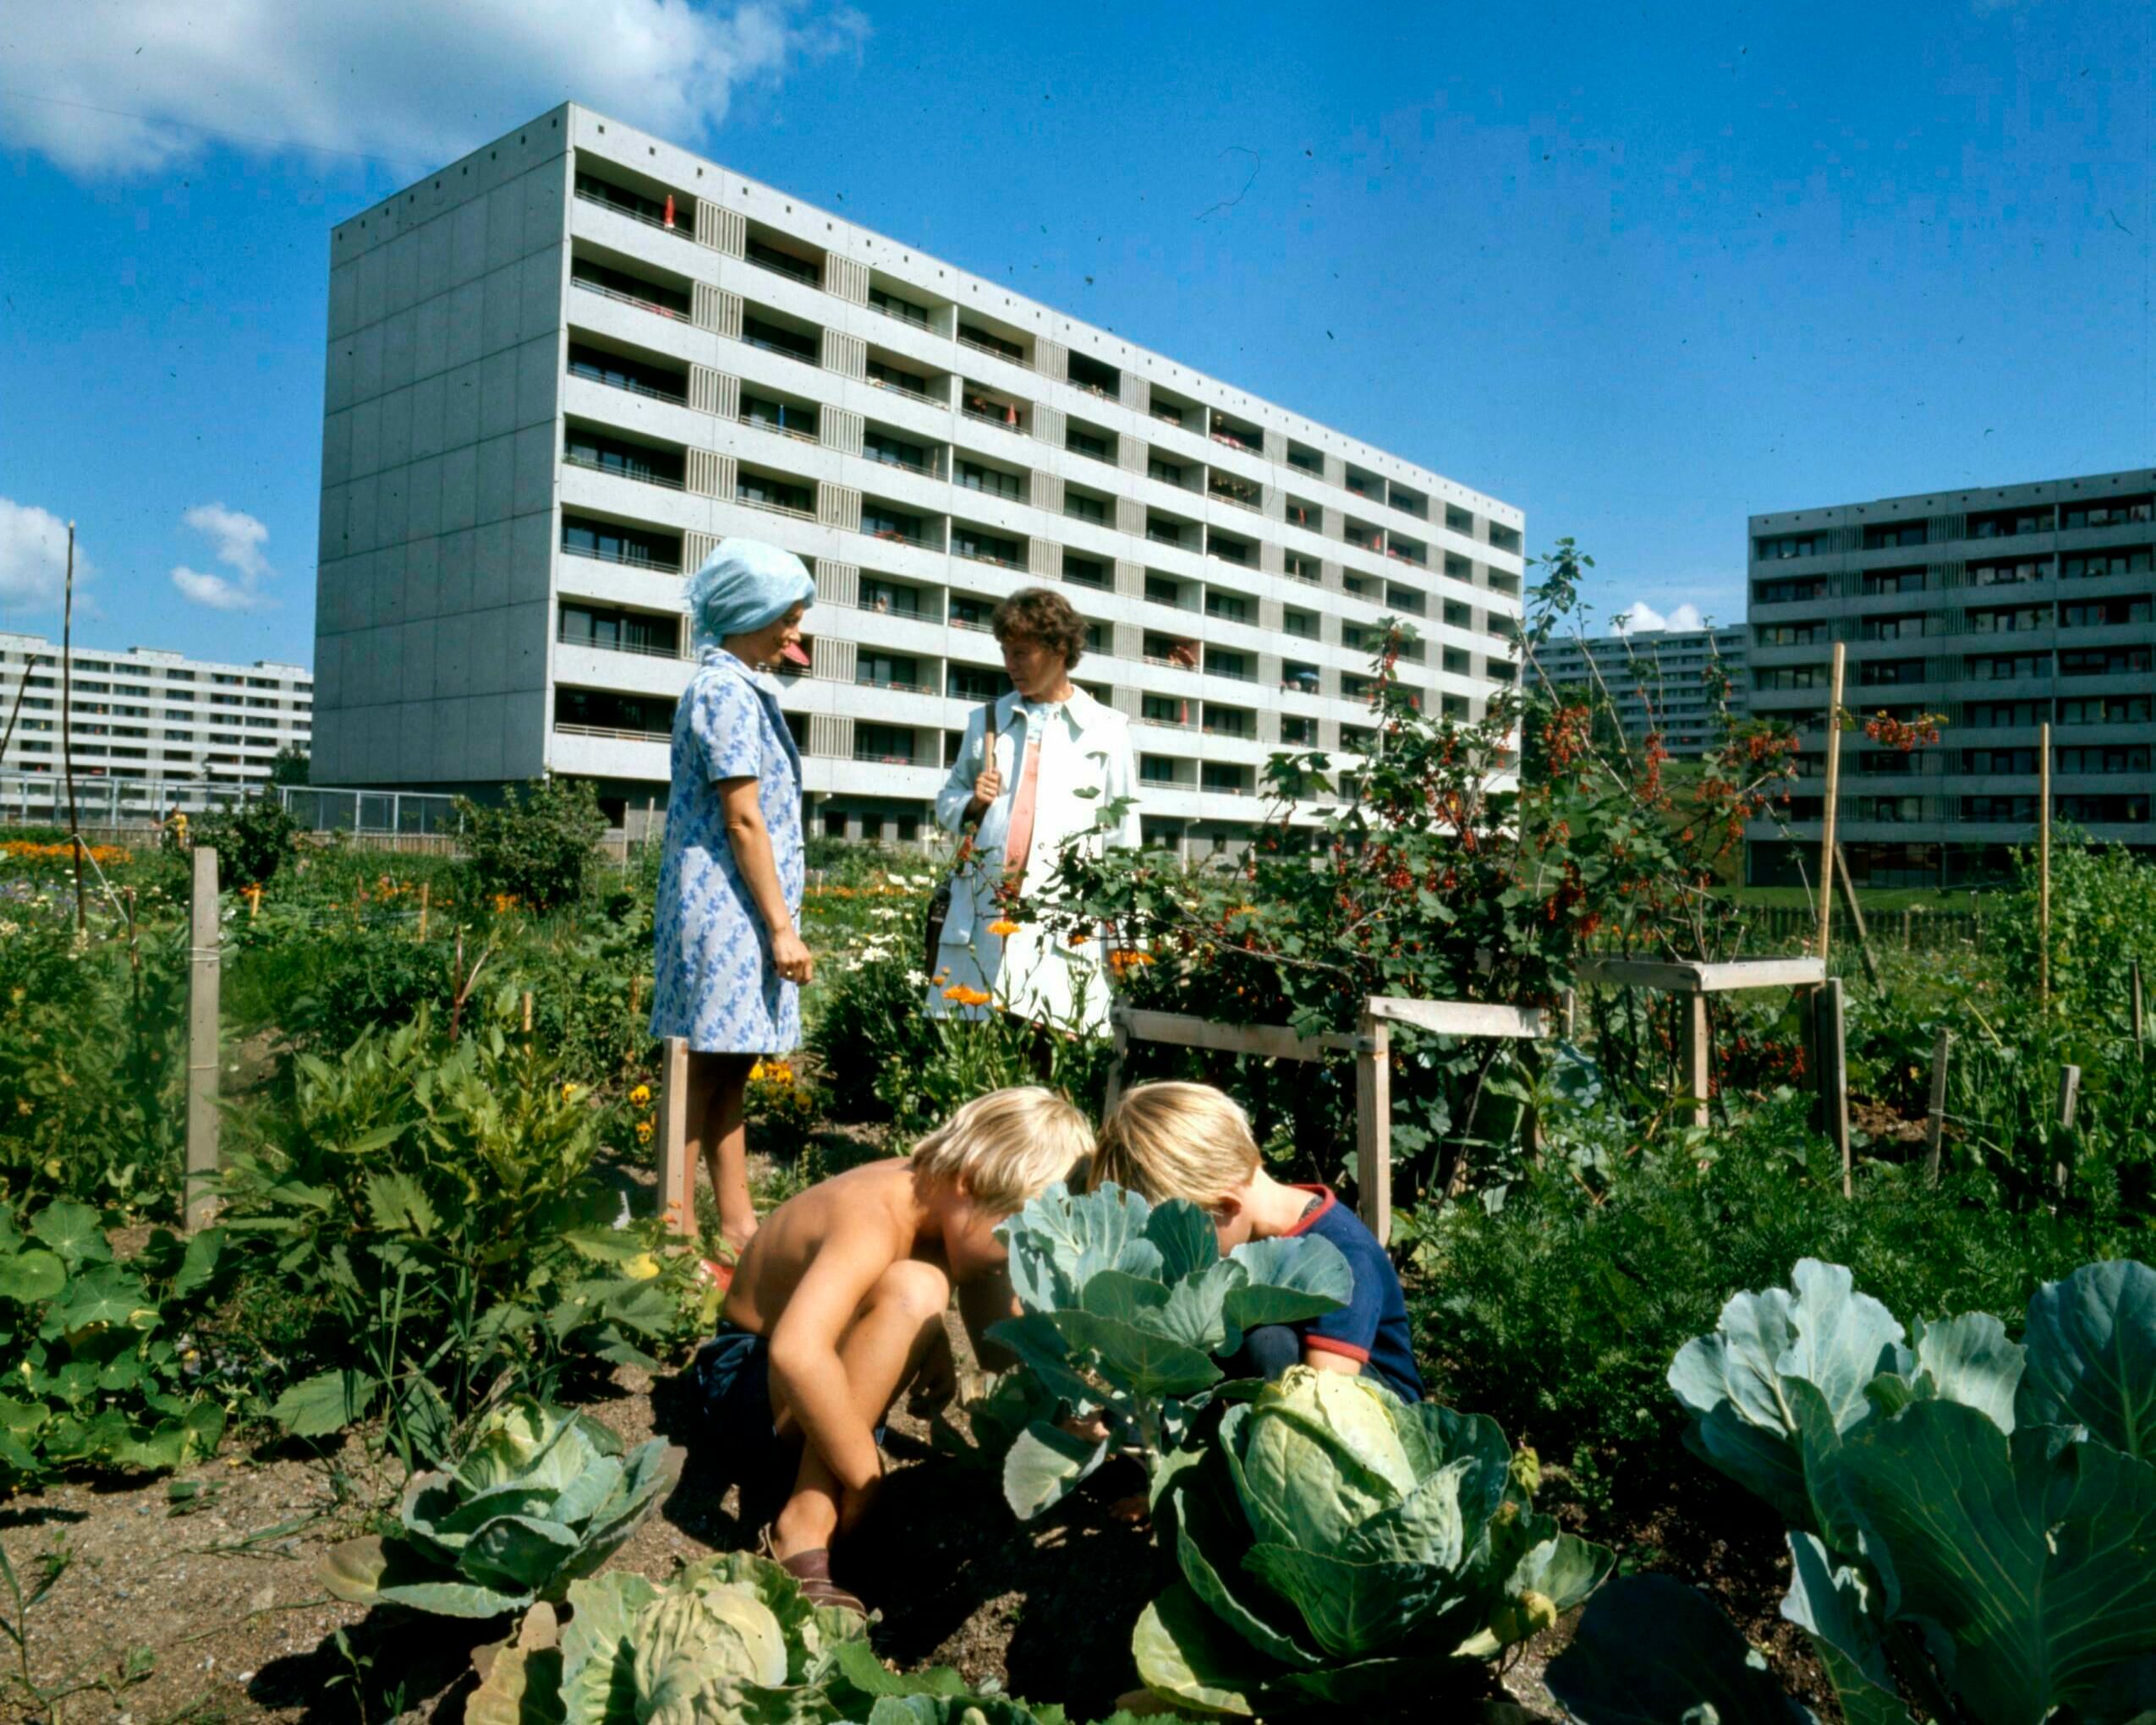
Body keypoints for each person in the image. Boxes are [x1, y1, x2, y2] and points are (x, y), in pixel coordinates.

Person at [693, 1086, 1094, 1613]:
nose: (1018, 1260)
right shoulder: (872, 1215)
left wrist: (1079, 1405)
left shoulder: (946, 1203)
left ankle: (833, 1505)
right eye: (1018, 1237)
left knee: (919, 1289)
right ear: (969, 1182)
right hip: (744, 1381)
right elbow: (795, 1351)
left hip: (794, 1389)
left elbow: (1002, 1347)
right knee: (918, 1289)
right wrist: (864, 1477)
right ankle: (801, 1528)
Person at [649, 539, 817, 1257]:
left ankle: (737, 1221)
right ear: (746, 614)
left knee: (732, 1066)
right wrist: (782, 929)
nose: (793, 634)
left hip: (743, 910)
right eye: (784, 618)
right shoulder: (721, 692)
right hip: (728, 910)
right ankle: (675, 1230)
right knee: (702, 1072)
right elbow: (743, 816)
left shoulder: (740, 688)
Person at [1088, 1081, 1424, 1402]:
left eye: (1180, 1237)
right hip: (1278, 1398)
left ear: (1225, 1207)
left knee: (1267, 1343)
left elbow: (1331, 1399)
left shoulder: (1346, 1255)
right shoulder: (1246, 1233)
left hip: (1370, 1417)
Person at [929, 588, 1140, 1036]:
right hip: (985, 915)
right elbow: (947, 805)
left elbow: (1124, 841)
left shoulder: (1108, 729)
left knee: (1051, 1052)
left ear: (1060, 650)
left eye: (1022, 653)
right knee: (979, 1049)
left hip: (1061, 919)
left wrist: (1127, 939)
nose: (1011, 664)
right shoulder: (985, 722)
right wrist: (972, 802)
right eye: (1005, 652)